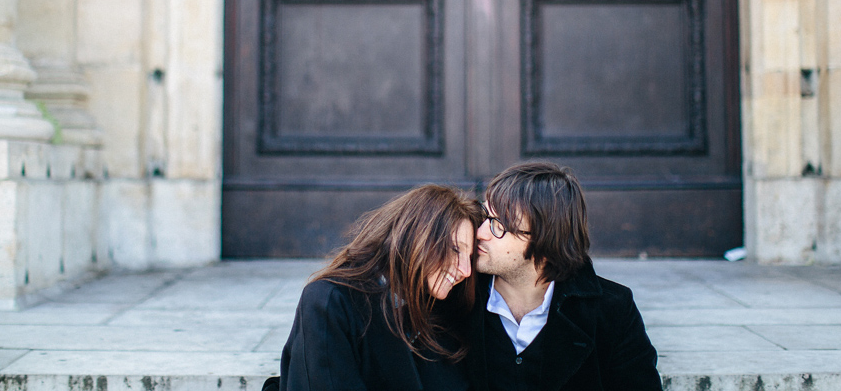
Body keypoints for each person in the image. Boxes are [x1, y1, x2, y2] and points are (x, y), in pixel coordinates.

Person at [464, 161, 662, 391]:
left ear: (544, 240)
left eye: (498, 225)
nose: (479, 233)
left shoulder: (611, 311)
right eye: (484, 216)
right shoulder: (457, 298)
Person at [268, 184, 482, 391]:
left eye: (469, 257)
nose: (465, 270)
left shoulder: (441, 313)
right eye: (454, 249)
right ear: (415, 237)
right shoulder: (331, 302)